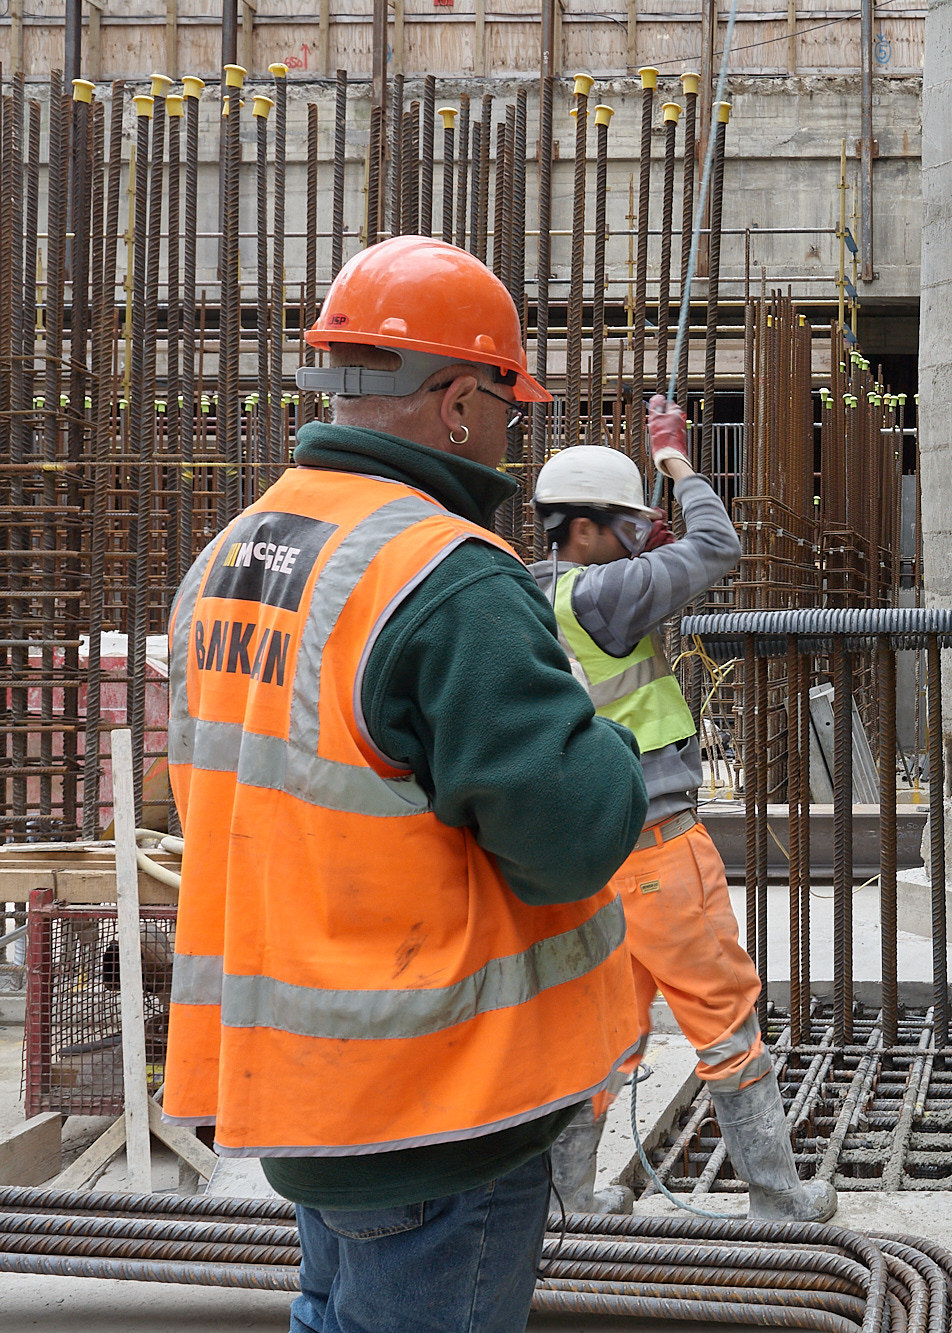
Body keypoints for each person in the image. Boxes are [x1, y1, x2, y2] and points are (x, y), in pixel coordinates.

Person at [165, 235, 652, 1333]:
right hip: (438, 1101)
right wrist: (619, 757)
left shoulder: (232, 556)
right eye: (506, 405)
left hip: (313, 1093)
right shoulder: (447, 575)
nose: (507, 436)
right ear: (458, 400)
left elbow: (232, 798)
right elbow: (568, 833)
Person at [528, 413, 836, 1223]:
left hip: (590, 858)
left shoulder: (537, 588)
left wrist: (644, 540)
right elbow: (718, 548)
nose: (637, 539)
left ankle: (571, 1202)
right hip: (660, 847)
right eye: (624, 525)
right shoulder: (608, 589)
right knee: (725, 1017)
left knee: (600, 1032)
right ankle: (778, 1196)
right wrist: (678, 464)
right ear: (586, 529)